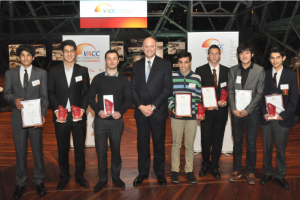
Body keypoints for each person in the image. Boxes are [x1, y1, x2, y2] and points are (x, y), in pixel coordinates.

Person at [4, 44, 48, 199]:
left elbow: (44, 98)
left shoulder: (41, 73)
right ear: (18, 57)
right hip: (18, 119)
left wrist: (42, 115)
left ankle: (39, 181)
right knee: (20, 153)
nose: (25, 58)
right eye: (22, 55)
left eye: (28, 55)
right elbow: (6, 93)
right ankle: (21, 183)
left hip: (35, 120)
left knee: (37, 152)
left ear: (33, 57)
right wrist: (13, 100)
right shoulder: (10, 74)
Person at [48, 40, 90, 191]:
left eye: (72, 50)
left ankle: (80, 176)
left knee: (79, 148)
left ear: (75, 53)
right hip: (61, 117)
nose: (69, 53)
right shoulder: (53, 70)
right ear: (62, 53)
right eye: (66, 51)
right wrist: (55, 109)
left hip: (78, 117)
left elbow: (87, 93)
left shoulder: (83, 70)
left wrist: (83, 110)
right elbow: (50, 92)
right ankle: (64, 177)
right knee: (62, 148)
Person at [88, 50, 132, 192]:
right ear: (105, 61)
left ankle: (116, 176)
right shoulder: (98, 78)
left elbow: (129, 99)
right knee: (101, 150)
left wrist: (120, 112)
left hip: (116, 121)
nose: (112, 61)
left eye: (114, 59)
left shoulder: (124, 80)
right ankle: (102, 178)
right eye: (109, 59)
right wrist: (98, 110)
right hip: (101, 120)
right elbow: (90, 97)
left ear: (118, 61)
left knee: (116, 149)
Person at [131, 37, 173, 186]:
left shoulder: (165, 64)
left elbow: (168, 88)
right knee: (142, 145)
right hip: (141, 112)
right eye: (146, 46)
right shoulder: (136, 65)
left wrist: (153, 106)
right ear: (143, 47)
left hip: (158, 112)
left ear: (156, 48)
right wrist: (141, 107)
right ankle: (143, 173)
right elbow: (133, 88)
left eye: (152, 46)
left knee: (159, 144)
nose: (149, 49)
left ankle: (160, 173)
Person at [259, 47, 298, 189]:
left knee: (281, 149)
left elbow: (294, 99)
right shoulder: (265, 74)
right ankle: (267, 173)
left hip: (283, 119)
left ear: (283, 58)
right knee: (267, 148)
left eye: (277, 57)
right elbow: (260, 96)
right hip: (267, 118)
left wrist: (284, 115)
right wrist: (263, 112)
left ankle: (280, 175)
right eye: (272, 58)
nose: (275, 60)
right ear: (269, 60)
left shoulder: (291, 75)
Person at [227, 43, 265, 184]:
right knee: (237, 143)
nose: (244, 55)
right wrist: (234, 109)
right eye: (241, 53)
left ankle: (250, 171)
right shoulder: (232, 70)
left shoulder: (259, 70)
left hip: (252, 113)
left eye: (247, 53)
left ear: (252, 55)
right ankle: (236, 170)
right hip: (236, 113)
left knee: (251, 143)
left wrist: (247, 110)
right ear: (238, 55)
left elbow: (259, 93)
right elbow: (230, 91)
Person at [168, 51, 203, 184]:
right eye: (180, 62)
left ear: (190, 62)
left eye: (186, 62)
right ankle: (175, 171)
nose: (183, 65)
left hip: (192, 117)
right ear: (178, 63)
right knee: (176, 144)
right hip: (176, 116)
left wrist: (199, 111)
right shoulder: (171, 76)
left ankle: (189, 170)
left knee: (189, 145)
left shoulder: (196, 77)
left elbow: (199, 97)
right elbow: (169, 96)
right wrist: (172, 108)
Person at [195, 45, 229, 179]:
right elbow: (198, 91)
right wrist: (204, 104)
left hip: (221, 112)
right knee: (205, 139)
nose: (214, 56)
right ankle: (205, 164)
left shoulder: (227, 71)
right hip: (206, 113)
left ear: (220, 55)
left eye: (216, 53)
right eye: (212, 53)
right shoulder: (200, 70)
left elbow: (229, 91)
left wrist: (226, 102)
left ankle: (214, 165)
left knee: (218, 139)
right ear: (208, 55)